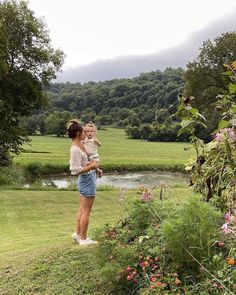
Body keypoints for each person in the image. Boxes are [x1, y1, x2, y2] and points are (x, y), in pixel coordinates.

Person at [67, 119, 99, 246]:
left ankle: (78, 234)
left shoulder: (80, 145)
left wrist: (90, 164)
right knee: (86, 211)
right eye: (83, 131)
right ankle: (84, 240)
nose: (86, 133)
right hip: (87, 180)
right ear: (78, 133)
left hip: (87, 179)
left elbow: (82, 163)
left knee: (82, 209)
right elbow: (75, 170)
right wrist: (92, 167)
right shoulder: (75, 149)